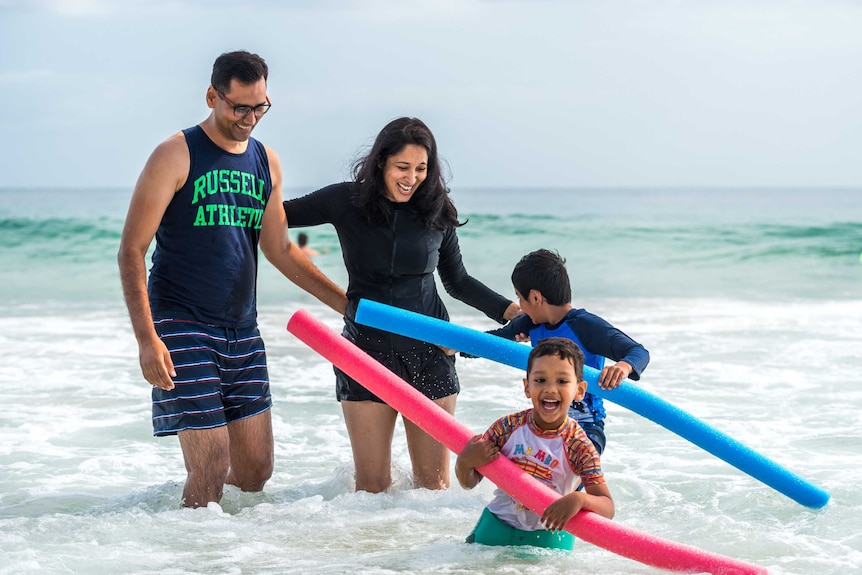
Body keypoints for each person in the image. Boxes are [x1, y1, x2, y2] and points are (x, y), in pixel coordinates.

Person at [117, 50, 347, 508]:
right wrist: (146, 339)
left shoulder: (266, 161)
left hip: (242, 328)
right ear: (212, 96)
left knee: (257, 469)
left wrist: (347, 305)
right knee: (211, 464)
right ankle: (190, 550)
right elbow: (131, 250)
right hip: (181, 323)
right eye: (239, 107)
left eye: (259, 107)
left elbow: (280, 248)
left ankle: (227, 550)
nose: (250, 118)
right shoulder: (175, 154)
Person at [283, 117, 520, 493]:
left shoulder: (436, 209)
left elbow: (457, 281)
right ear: (381, 163)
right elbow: (271, 218)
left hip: (430, 350)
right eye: (403, 167)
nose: (412, 178)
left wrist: (511, 313)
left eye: (421, 168)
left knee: (433, 489)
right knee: (371, 491)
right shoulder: (345, 201)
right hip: (365, 352)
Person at [456, 337, 615, 550]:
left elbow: (607, 507)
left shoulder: (579, 446)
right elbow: (469, 482)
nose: (550, 389)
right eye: (540, 380)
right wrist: (464, 463)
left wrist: (579, 499)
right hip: (496, 526)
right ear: (527, 386)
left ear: (580, 390)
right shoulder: (507, 428)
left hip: (549, 537)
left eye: (562, 381)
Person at [488, 249, 649, 455]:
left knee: (560, 480)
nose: (520, 306)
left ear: (535, 297)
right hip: (545, 421)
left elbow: (638, 351)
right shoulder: (530, 324)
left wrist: (623, 366)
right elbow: (492, 342)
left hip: (586, 427)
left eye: (519, 297)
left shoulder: (586, 326)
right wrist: (454, 347)